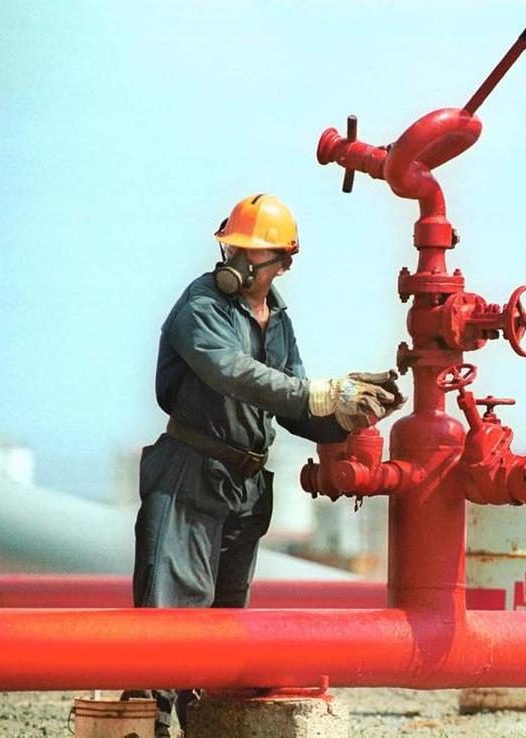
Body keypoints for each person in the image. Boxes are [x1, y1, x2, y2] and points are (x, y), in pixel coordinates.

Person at [124, 193, 403, 737]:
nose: (237, 258)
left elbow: (293, 405)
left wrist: (349, 416)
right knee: (169, 628)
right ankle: (150, 724)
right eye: (233, 247)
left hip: (245, 486)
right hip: (190, 474)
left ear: (282, 262)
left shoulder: (278, 322)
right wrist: (317, 394)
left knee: (223, 632)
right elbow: (232, 373)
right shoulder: (201, 306)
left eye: (251, 251)